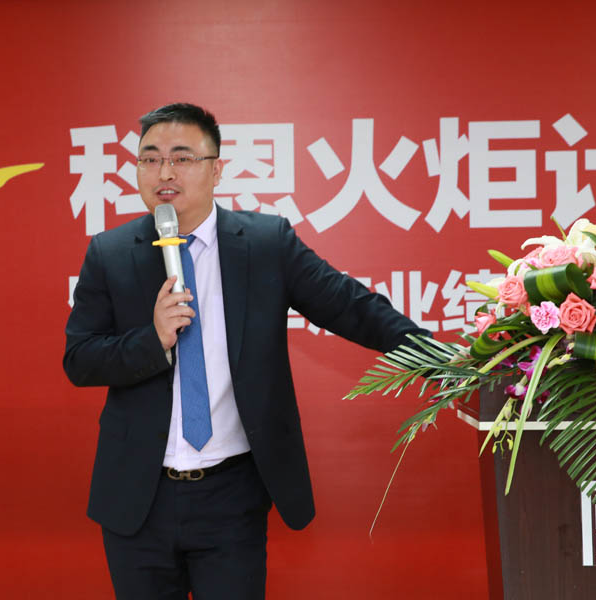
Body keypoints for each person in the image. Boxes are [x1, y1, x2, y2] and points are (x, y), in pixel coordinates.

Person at [63, 102, 429, 599]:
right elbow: (80, 359)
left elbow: (349, 306)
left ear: (216, 170)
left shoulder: (264, 243)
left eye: (181, 158)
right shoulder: (109, 253)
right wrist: (153, 339)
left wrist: (438, 359)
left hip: (230, 497)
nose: (164, 173)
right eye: (149, 159)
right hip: (137, 499)